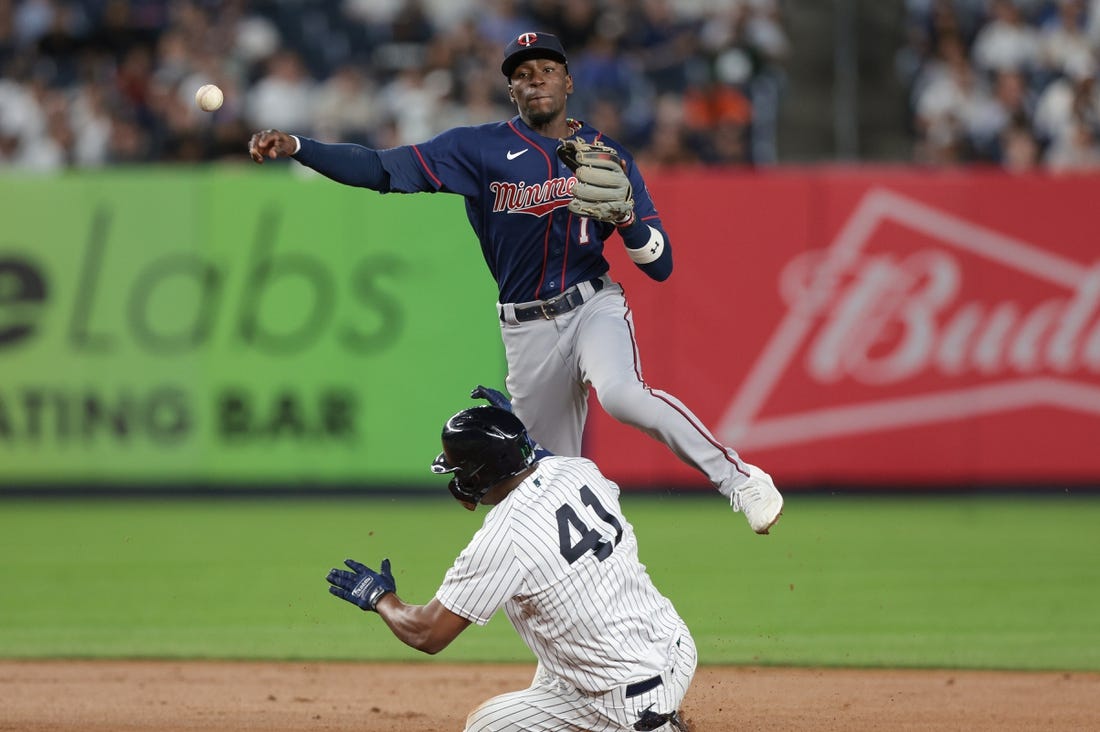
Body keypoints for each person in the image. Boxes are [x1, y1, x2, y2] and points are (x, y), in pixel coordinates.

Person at [249, 31, 783, 534]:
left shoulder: (608, 153)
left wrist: (627, 221)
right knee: (543, 495)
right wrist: (299, 145)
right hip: (525, 329)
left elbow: (660, 266)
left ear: (568, 82)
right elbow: (379, 169)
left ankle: (740, 482)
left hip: (592, 305)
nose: (536, 79)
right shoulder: (476, 148)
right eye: (523, 73)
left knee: (622, 395)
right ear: (511, 88)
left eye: (547, 69)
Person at [326, 402, 695, 731]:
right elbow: (539, 455)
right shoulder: (577, 470)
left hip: (623, 699)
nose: (457, 480)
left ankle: (656, 727)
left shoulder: (506, 537)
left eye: (459, 472)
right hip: (675, 647)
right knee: (528, 675)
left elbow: (427, 633)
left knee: (485, 729)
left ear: (478, 475)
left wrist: (380, 597)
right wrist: (516, 440)